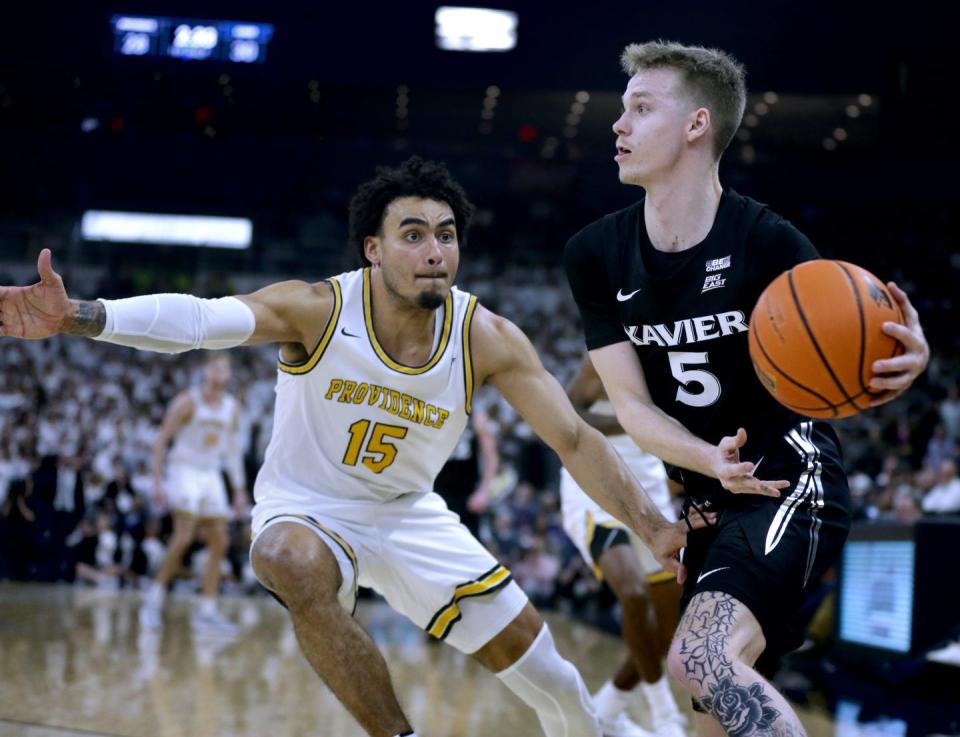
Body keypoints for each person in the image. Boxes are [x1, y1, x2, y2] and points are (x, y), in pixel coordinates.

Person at [0, 157, 704, 737]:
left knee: (552, 679)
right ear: (373, 248)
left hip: (408, 512)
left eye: (448, 235)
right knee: (286, 557)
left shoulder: (485, 335)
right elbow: (201, 320)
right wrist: (80, 317)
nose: (435, 250)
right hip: (308, 506)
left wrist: (653, 525)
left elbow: (575, 438)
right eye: (414, 234)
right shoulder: (319, 307)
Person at [563, 41, 930, 737]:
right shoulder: (594, 254)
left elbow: (851, 345)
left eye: (641, 108)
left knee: (700, 657)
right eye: (621, 109)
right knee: (716, 720)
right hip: (709, 503)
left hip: (792, 481)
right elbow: (632, 407)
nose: (619, 124)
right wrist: (707, 463)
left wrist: (906, 358)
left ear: (697, 125)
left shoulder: (769, 242)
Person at [560, 354, 685, 737]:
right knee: (633, 594)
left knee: (665, 634)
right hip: (597, 489)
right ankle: (664, 714)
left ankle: (607, 711)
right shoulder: (602, 360)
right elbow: (568, 413)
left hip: (651, 493)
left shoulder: (681, 363)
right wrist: (632, 425)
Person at [140, 352, 247, 632]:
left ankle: (207, 611)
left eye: (224, 367)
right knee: (184, 535)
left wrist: (238, 488)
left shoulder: (232, 407)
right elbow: (161, 441)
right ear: (205, 371)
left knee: (220, 541)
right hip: (184, 468)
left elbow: (233, 451)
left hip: (211, 472)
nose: (220, 372)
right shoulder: (187, 402)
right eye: (215, 366)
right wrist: (157, 481)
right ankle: (153, 599)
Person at [433, 404, 499, 537]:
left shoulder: (475, 415)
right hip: (436, 490)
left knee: (469, 541)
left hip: (466, 495)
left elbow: (492, 457)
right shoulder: (432, 410)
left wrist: (484, 492)